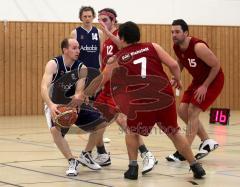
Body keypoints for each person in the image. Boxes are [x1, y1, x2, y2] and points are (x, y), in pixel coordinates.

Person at [84, 21, 206, 180]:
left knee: (132, 132)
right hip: (164, 96)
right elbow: (174, 65)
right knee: (174, 132)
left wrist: (86, 93)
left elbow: (103, 78)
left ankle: (133, 168)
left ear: (121, 38)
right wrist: (178, 79)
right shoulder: (152, 46)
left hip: (141, 99)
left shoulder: (118, 57)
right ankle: (195, 165)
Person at [95, 8, 157, 173]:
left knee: (123, 121)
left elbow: (123, 47)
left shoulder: (120, 36)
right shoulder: (105, 38)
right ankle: (101, 153)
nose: (101, 23)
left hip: (119, 85)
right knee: (99, 119)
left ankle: (146, 154)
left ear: (114, 21)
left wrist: (108, 32)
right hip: (107, 84)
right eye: (99, 19)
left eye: (105, 20)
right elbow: (104, 62)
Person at [41, 38, 107, 176]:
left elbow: (79, 90)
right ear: (65, 50)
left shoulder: (81, 67)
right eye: (74, 48)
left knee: (101, 123)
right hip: (55, 103)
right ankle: (72, 161)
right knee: (55, 131)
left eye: (78, 48)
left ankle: (86, 155)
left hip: (73, 102)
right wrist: (51, 105)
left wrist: (78, 100)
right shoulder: (53, 64)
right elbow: (43, 87)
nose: (78, 50)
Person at [166, 19, 224, 162]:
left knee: (193, 110)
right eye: (172, 32)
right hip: (198, 81)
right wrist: (176, 77)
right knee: (182, 110)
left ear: (186, 33)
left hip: (213, 80)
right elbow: (181, 62)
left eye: (177, 32)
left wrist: (205, 86)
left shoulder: (198, 47)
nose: (174, 34)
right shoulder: (177, 46)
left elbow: (216, 66)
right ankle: (206, 141)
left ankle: (183, 151)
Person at [70, 6, 110, 167]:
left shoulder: (98, 33)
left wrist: (102, 74)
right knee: (86, 110)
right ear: (81, 18)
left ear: (93, 17)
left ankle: (98, 150)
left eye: (89, 16)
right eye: (84, 16)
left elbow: (101, 55)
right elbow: (73, 54)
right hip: (81, 75)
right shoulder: (75, 33)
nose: (87, 18)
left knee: (97, 110)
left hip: (95, 75)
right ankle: (97, 149)